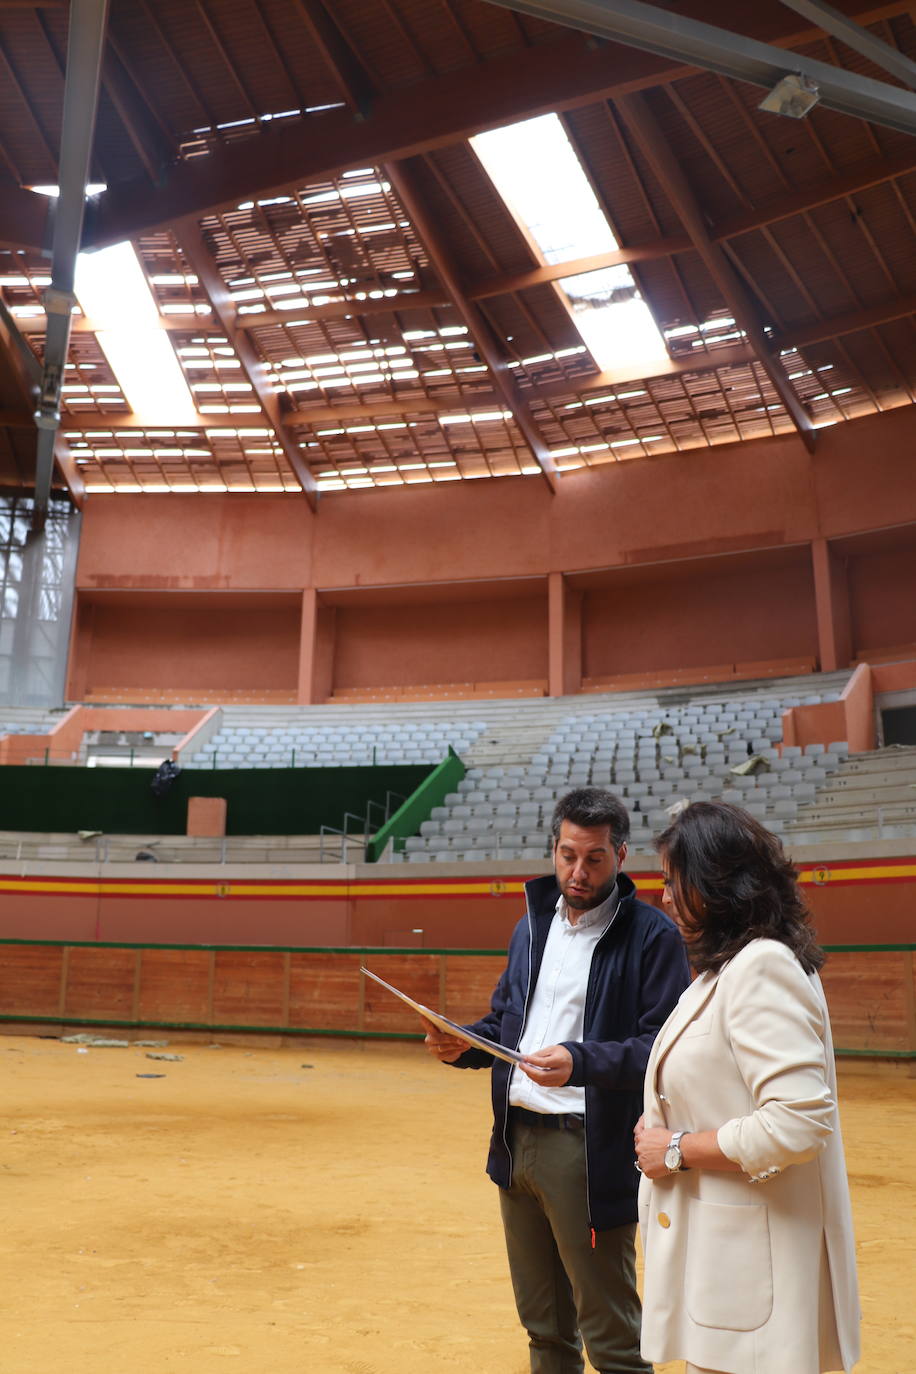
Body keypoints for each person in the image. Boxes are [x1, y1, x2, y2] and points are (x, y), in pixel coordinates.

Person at [424, 786, 690, 1374]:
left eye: (594, 858)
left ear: (620, 856)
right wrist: (462, 1043)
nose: (578, 871)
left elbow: (663, 1051)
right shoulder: (531, 929)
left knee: (613, 1339)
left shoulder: (653, 937)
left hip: (587, 1151)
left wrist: (581, 1060)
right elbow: (506, 1025)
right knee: (543, 1329)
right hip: (515, 1143)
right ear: (553, 849)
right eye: (568, 854)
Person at [634, 800, 860, 1374]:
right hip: (727, 1262)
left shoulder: (761, 966)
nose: (663, 896)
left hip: (753, 1271)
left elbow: (798, 1122)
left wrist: (678, 1149)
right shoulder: (726, 968)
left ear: (715, 883)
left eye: (672, 881)